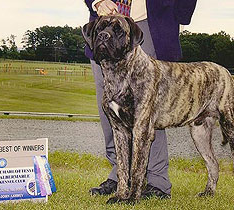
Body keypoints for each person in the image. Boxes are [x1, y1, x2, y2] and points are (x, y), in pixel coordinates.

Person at [84, 0, 197, 199]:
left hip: (151, 23)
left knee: (150, 112)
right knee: (110, 114)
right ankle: (119, 177)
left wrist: (179, 15)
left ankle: (157, 181)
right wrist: (97, 1)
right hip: (104, 21)